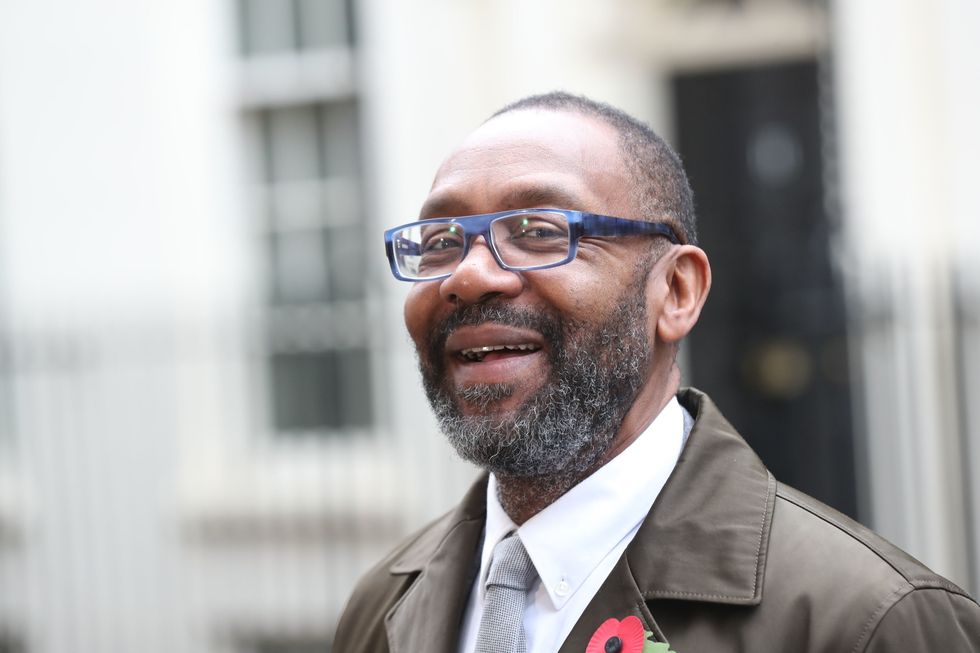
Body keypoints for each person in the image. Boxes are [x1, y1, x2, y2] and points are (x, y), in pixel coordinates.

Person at [333, 92, 980, 653]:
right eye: (440, 241)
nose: (469, 274)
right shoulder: (384, 608)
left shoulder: (867, 621)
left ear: (675, 291)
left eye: (538, 229)